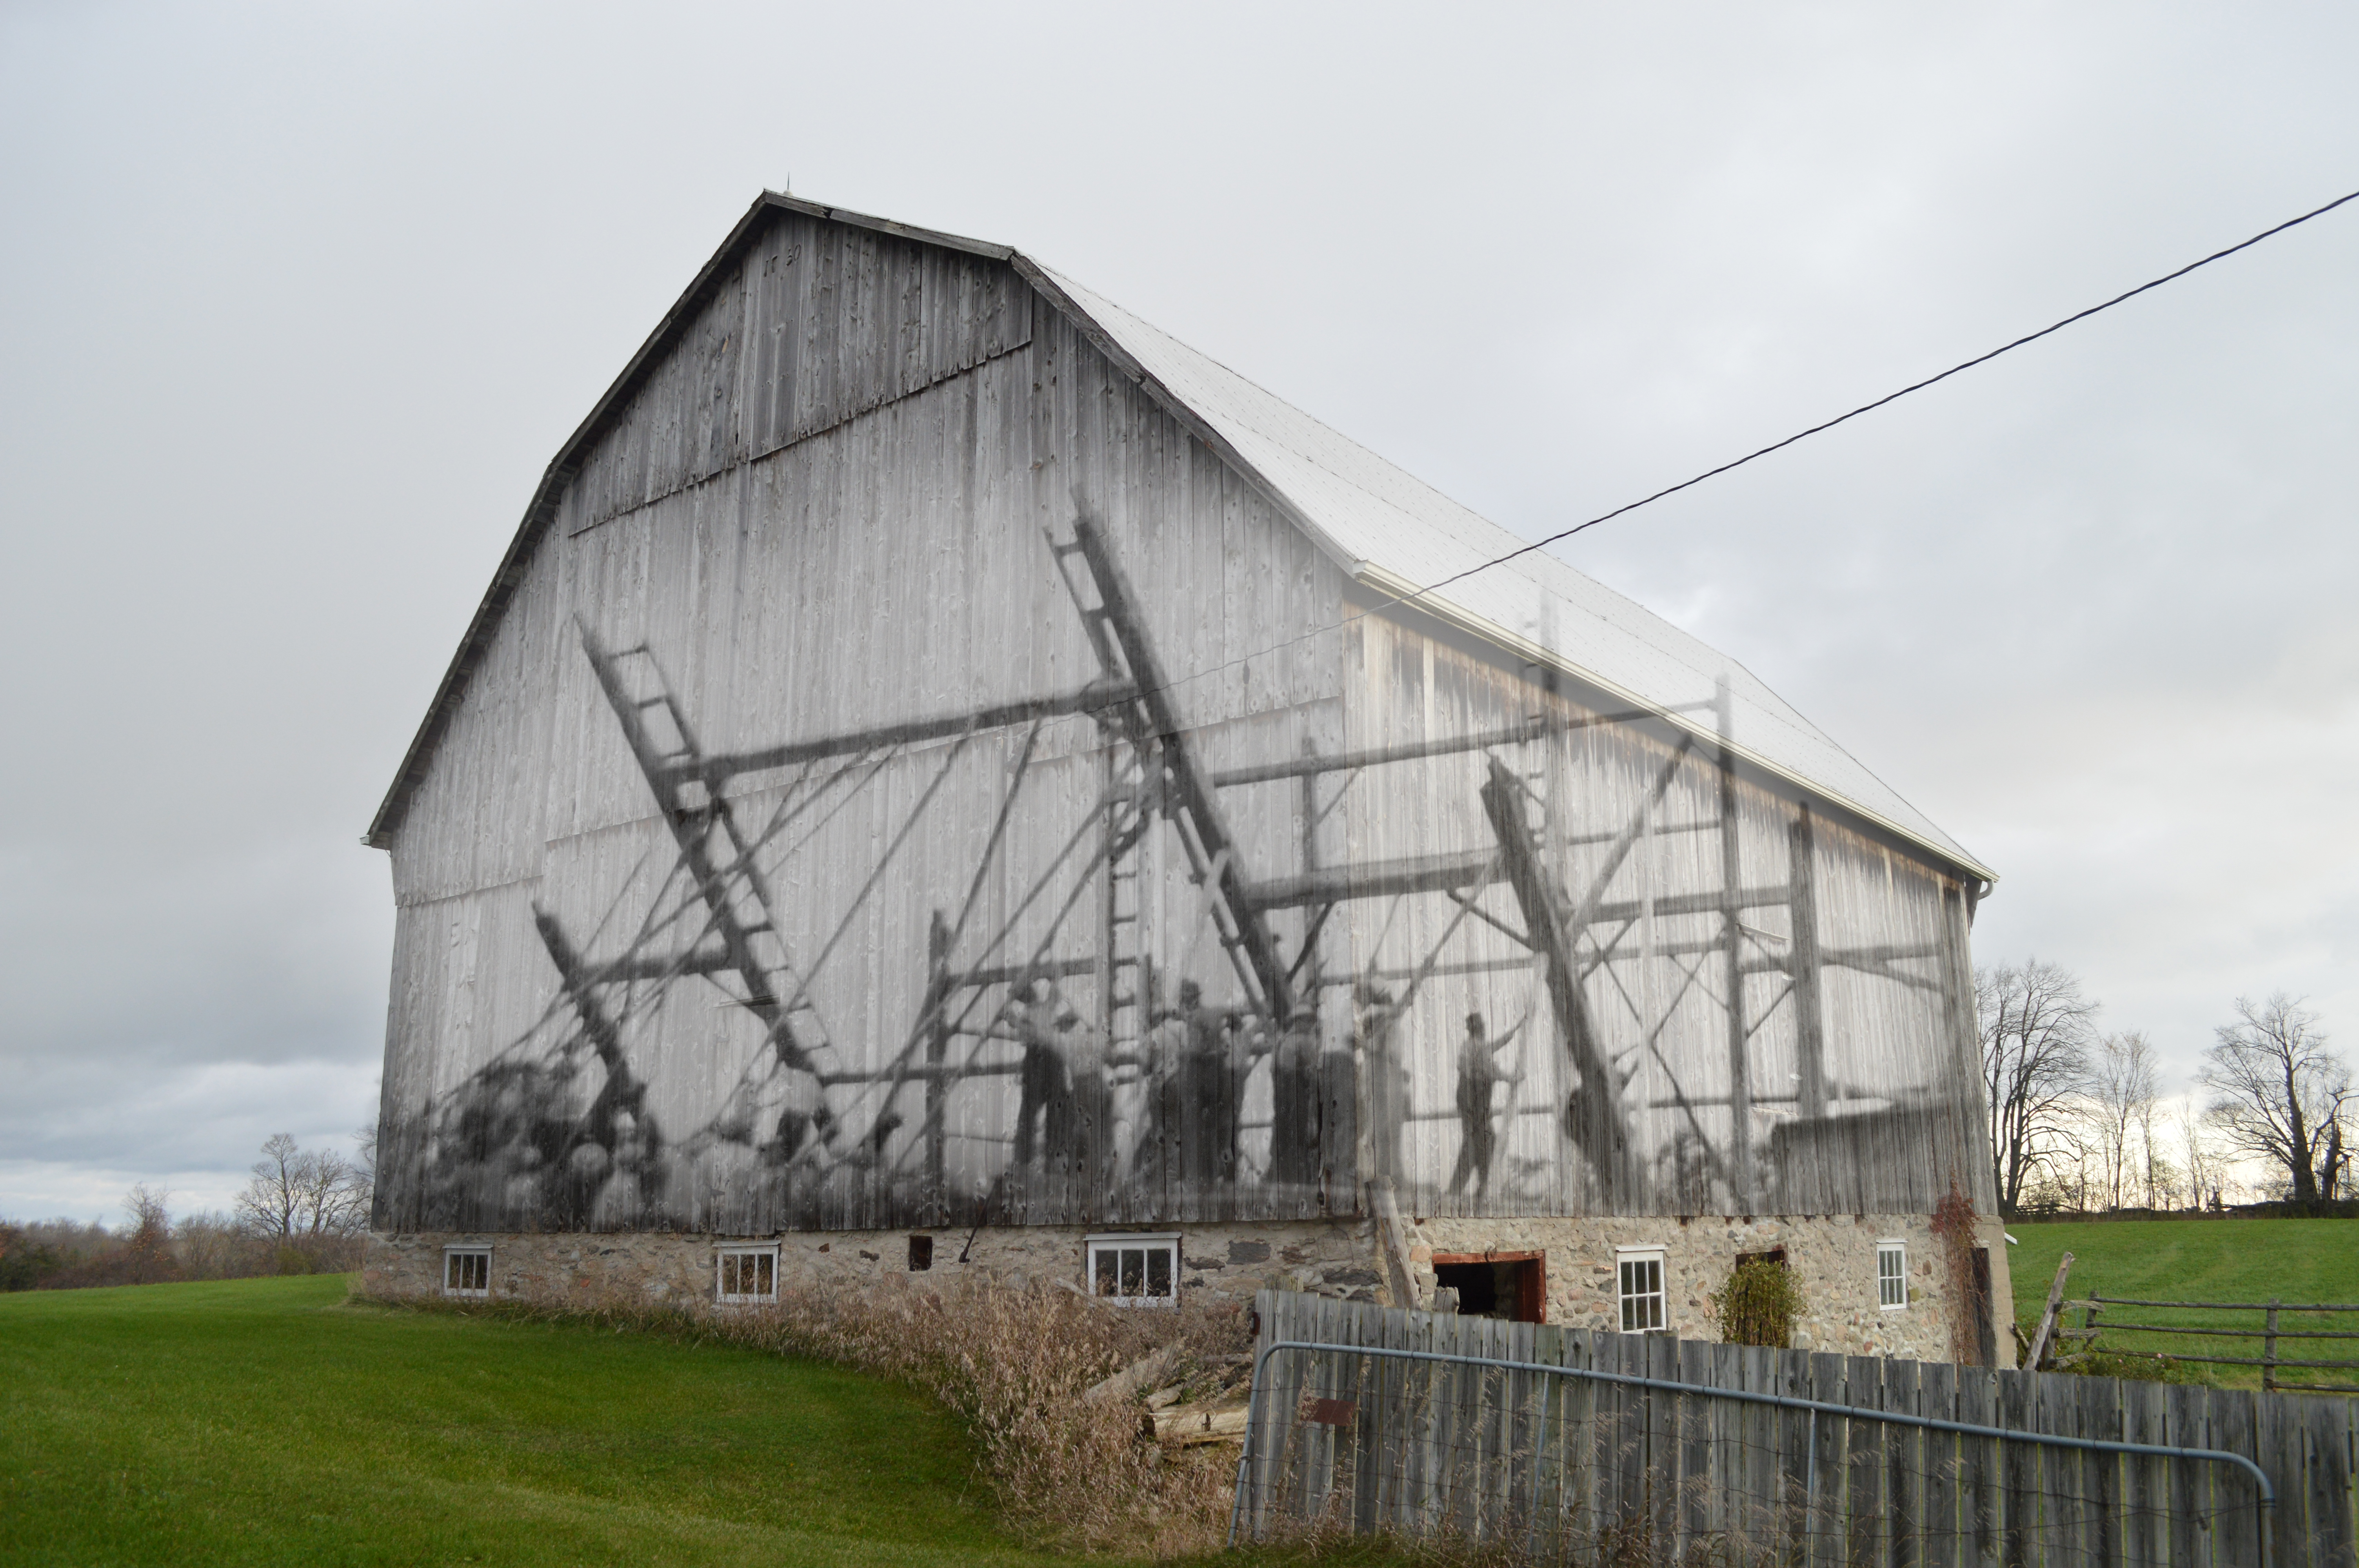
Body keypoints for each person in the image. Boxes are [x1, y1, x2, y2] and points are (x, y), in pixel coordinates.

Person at [1447, 1009, 1526, 1198]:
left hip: (1472, 1100)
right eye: (1482, 1026)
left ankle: (1477, 1188)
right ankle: (1468, 1189)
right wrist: (1513, 1078)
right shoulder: (1475, 1048)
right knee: (1480, 1142)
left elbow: (1494, 1047)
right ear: (1479, 1028)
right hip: (1474, 1101)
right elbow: (1490, 1070)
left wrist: (1515, 1029)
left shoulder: (1474, 1046)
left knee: (1483, 1142)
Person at [1003, 975, 1073, 1172]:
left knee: (1040, 1111)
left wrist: (1052, 978)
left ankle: (1039, 1161)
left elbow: (1009, 1015)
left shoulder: (1036, 1010)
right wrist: (1052, 979)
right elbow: (1010, 1017)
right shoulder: (1032, 1013)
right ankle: (1036, 1161)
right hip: (1043, 1059)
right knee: (1041, 1111)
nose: (1032, 992)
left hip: (1041, 1059)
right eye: (1028, 991)